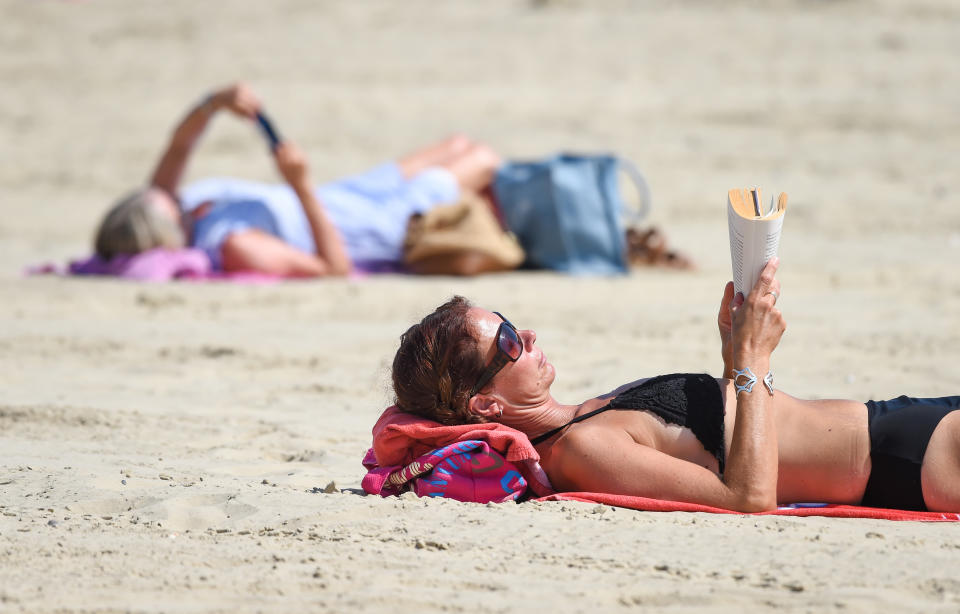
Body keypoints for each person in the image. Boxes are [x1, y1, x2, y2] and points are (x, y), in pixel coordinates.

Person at [390, 259, 960, 512]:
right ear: (487, 403)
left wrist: (732, 350)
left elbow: (729, 430)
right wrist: (752, 360)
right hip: (903, 461)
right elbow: (748, 498)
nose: (529, 335)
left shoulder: (585, 417)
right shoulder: (581, 449)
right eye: (510, 340)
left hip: (901, 423)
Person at [94, 83, 501, 277]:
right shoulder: (233, 244)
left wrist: (214, 103)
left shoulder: (179, 206)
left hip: (348, 193)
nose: (176, 198)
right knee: (482, 159)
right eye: (171, 206)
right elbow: (333, 268)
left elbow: (179, 148)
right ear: (168, 235)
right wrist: (300, 184)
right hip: (377, 223)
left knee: (457, 144)